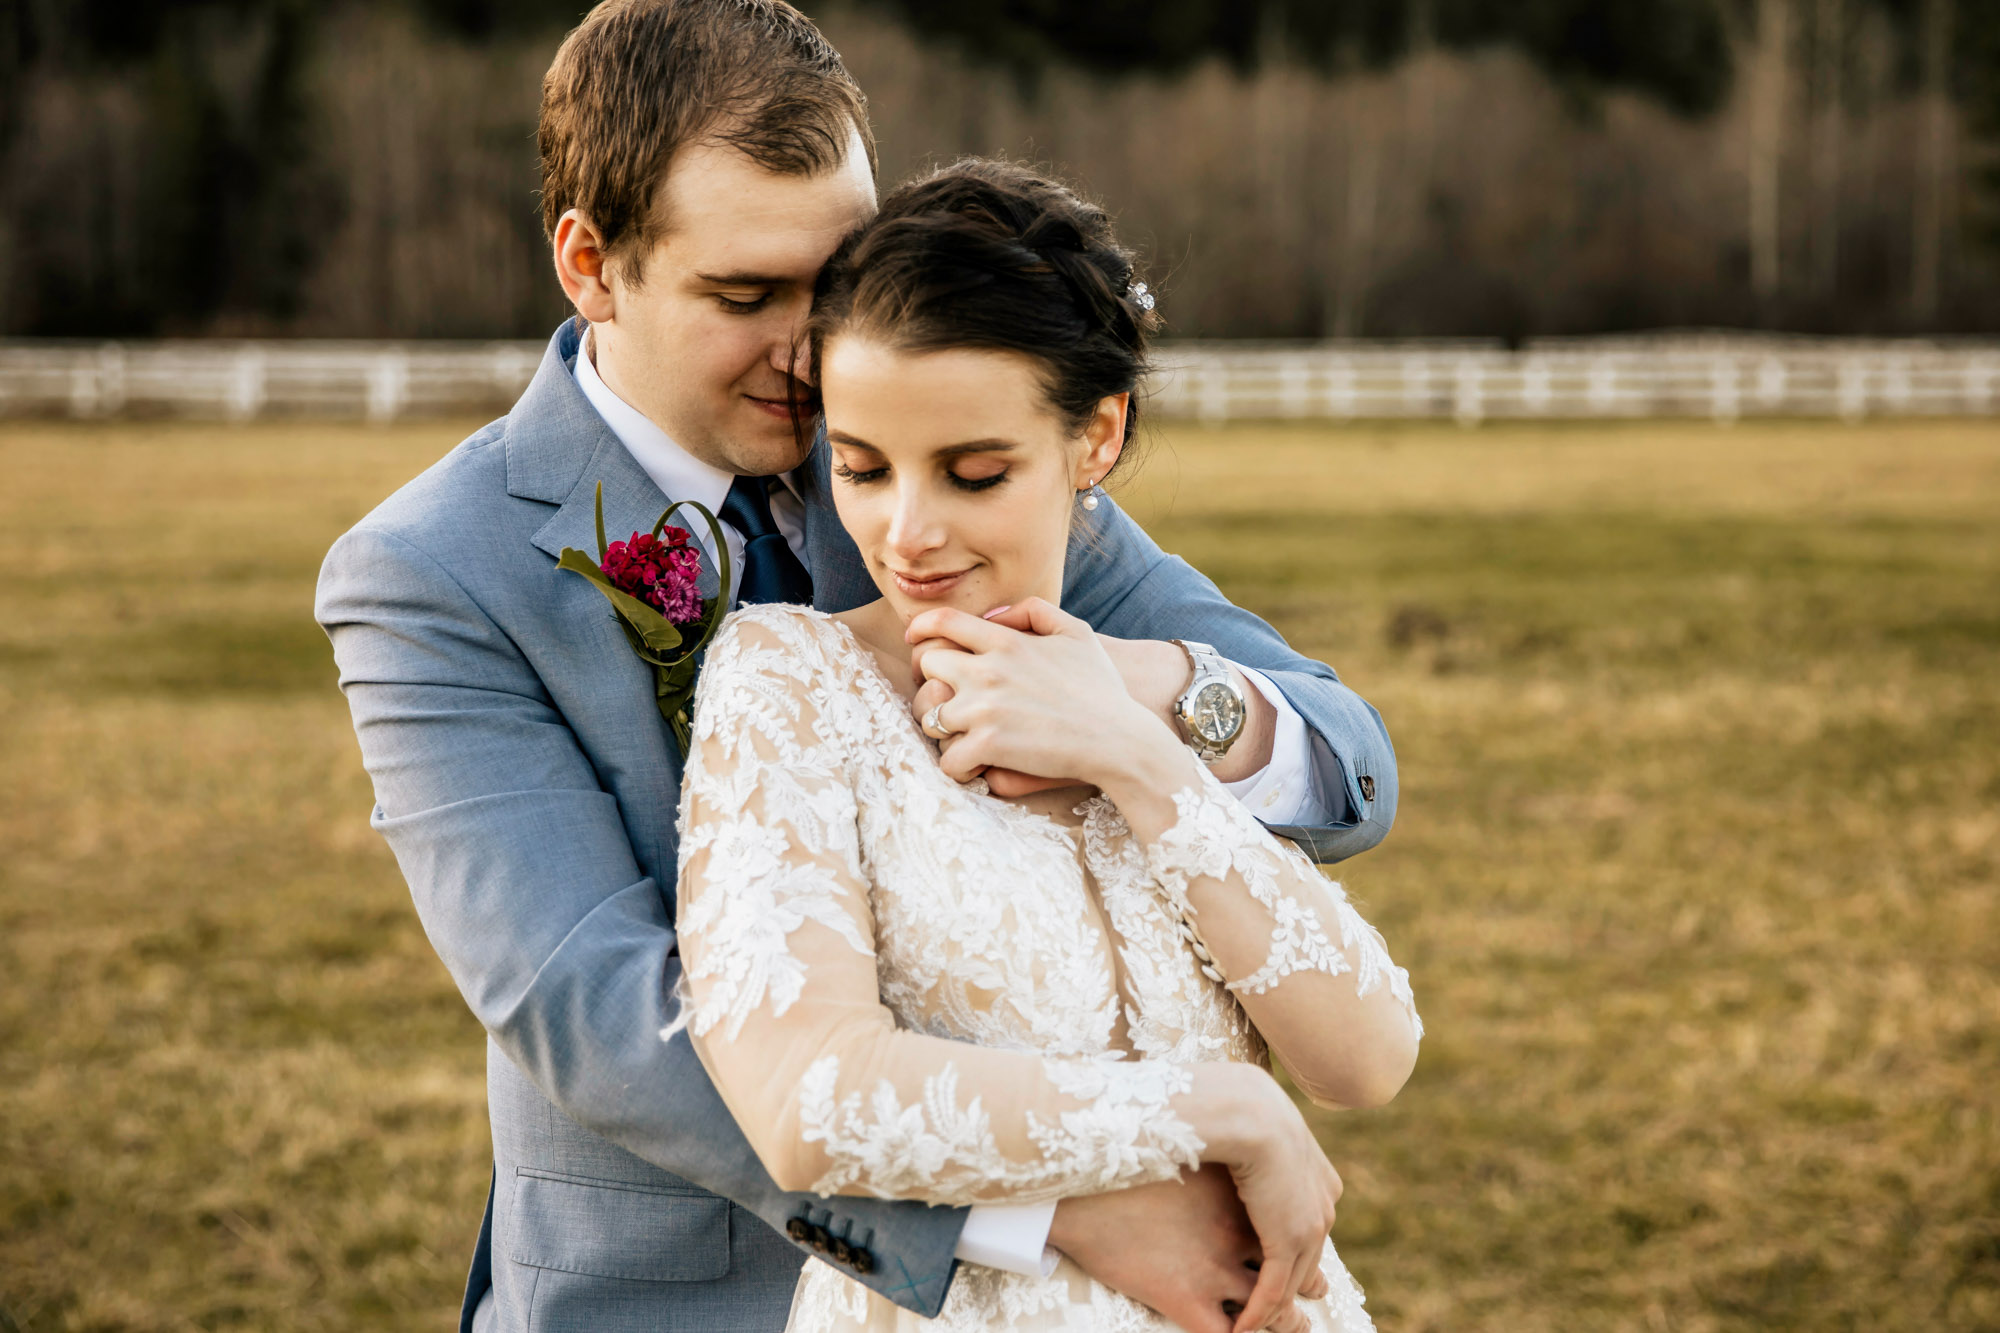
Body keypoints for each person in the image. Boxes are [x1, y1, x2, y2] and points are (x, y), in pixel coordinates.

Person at [314, 3, 1399, 1332]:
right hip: (684, 1297)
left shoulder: (928, 452)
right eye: (745, 296)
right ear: (591, 264)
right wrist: (1056, 1207)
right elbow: (595, 1004)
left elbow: (1347, 763)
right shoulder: (432, 572)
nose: (816, 352)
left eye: (835, 282)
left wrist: (1154, 698)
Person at [671, 157, 1422, 1333]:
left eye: (974, 473)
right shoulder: (790, 685)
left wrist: (1136, 752)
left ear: (1095, 440)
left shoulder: (1126, 685)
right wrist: (1218, 1112)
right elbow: (806, 1097)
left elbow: (1367, 1054)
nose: (906, 533)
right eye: (860, 469)